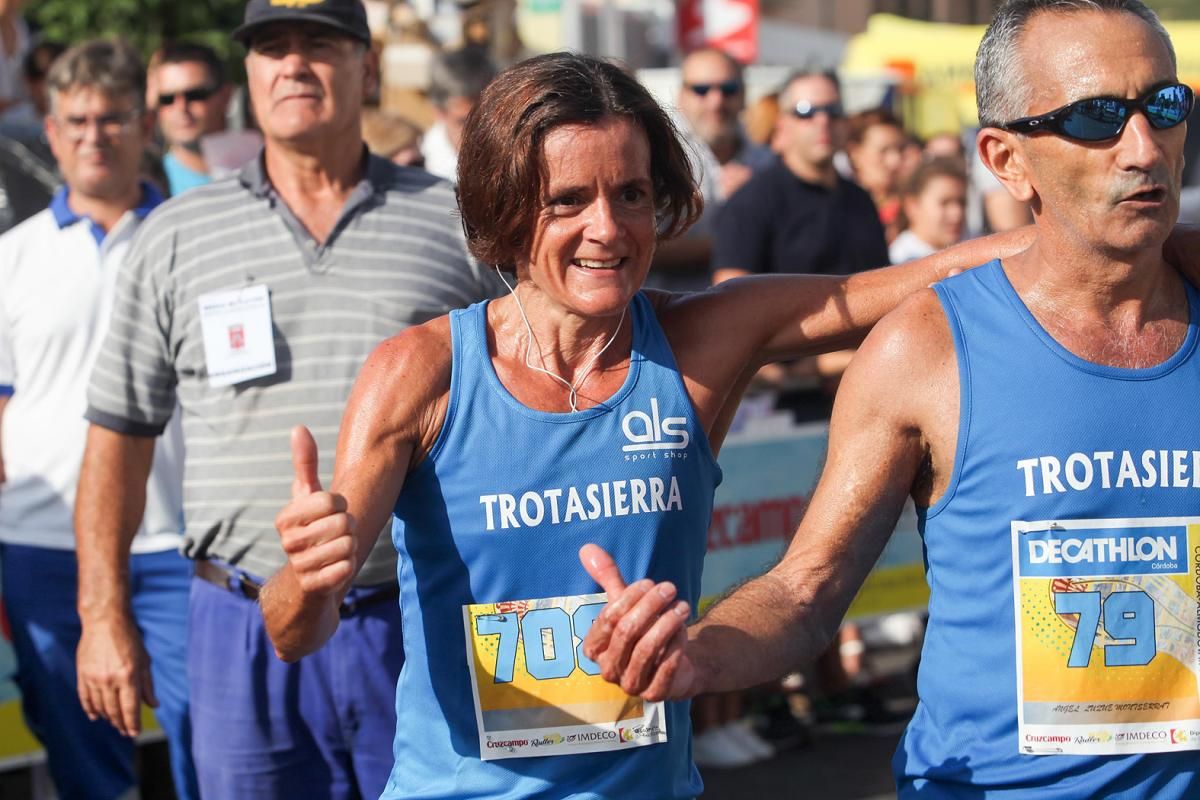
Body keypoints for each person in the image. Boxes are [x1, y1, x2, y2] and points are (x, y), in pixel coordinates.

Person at [264, 51, 1034, 799]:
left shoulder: (697, 346)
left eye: (630, 194)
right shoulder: (420, 373)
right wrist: (309, 573)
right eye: (567, 200)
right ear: (505, 207)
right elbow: (294, 630)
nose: (608, 228)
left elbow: (912, 283)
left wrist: (1125, 238)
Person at [582, 1, 1200, 797]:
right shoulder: (927, 347)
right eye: (1098, 118)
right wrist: (701, 653)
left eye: (1165, 105)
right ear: (1005, 160)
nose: (1143, 147)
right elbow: (807, 591)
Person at [74, 1, 502, 797]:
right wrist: (102, 617)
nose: (294, 64)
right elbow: (117, 439)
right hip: (239, 626)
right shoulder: (173, 235)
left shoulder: (458, 219)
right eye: (272, 47)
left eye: (321, 45)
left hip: (414, 620)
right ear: (249, 74)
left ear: (368, 69)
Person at [0, 38, 198, 800]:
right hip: (44, 544)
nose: (94, 135)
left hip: (177, 540)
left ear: (143, 126)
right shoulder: (13, 257)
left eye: (112, 117)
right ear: (51, 132)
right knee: (83, 765)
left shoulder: (193, 236)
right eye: (76, 120)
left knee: (209, 749)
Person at [711, 70, 888, 282]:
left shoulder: (860, 200)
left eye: (833, 110)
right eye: (806, 112)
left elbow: (883, 281)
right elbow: (730, 293)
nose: (823, 121)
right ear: (782, 125)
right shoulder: (752, 202)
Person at [651, 47, 773, 291]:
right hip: (670, 314)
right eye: (702, 90)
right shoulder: (657, 157)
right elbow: (637, 248)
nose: (716, 101)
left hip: (751, 313)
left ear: (744, 95)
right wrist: (732, 241)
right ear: (681, 96)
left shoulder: (767, 162)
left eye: (728, 89)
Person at [152, 41, 233, 195]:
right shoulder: (146, 188)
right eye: (167, 99)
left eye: (195, 95)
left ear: (226, 96)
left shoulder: (266, 171)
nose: (181, 108)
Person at [420, 44, 496, 182]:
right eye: (463, 122)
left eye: (486, 117)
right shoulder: (420, 166)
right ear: (439, 112)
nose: (478, 131)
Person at [889, 157, 968, 263]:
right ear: (913, 206)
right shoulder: (900, 260)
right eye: (944, 203)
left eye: (962, 202)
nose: (957, 213)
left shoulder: (971, 246)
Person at [845, 108, 908, 242]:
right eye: (883, 151)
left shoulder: (915, 211)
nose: (894, 161)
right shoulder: (838, 210)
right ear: (855, 153)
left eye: (900, 149)